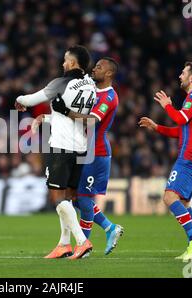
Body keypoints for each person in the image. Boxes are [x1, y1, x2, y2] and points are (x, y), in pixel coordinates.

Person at [34, 57, 124, 256]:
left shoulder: (109, 96)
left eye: (99, 67)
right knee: (74, 198)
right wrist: (48, 117)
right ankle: (108, 229)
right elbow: (73, 120)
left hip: (96, 153)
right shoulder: (91, 90)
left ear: (109, 73)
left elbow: (90, 121)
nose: (95, 68)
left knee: (83, 199)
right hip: (82, 150)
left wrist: (65, 112)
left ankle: (83, 246)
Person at [16, 45, 96, 259]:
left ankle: (82, 241)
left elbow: (31, 99)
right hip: (80, 146)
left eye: (65, 60)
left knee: (57, 197)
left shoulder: (61, 83)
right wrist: (47, 118)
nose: (62, 64)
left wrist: (19, 99)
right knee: (68, 196)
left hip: (61, 146)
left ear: (72, 63)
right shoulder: (91, 85)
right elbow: (78, 116)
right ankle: (63, 244)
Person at [138, 62, 192, 262]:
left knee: (169, 198)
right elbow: (182, 130)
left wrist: (167, 105)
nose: (180, 75)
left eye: (184, 72)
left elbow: (180, 119)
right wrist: (157, 127)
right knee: (184, 202)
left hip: (189, 156)